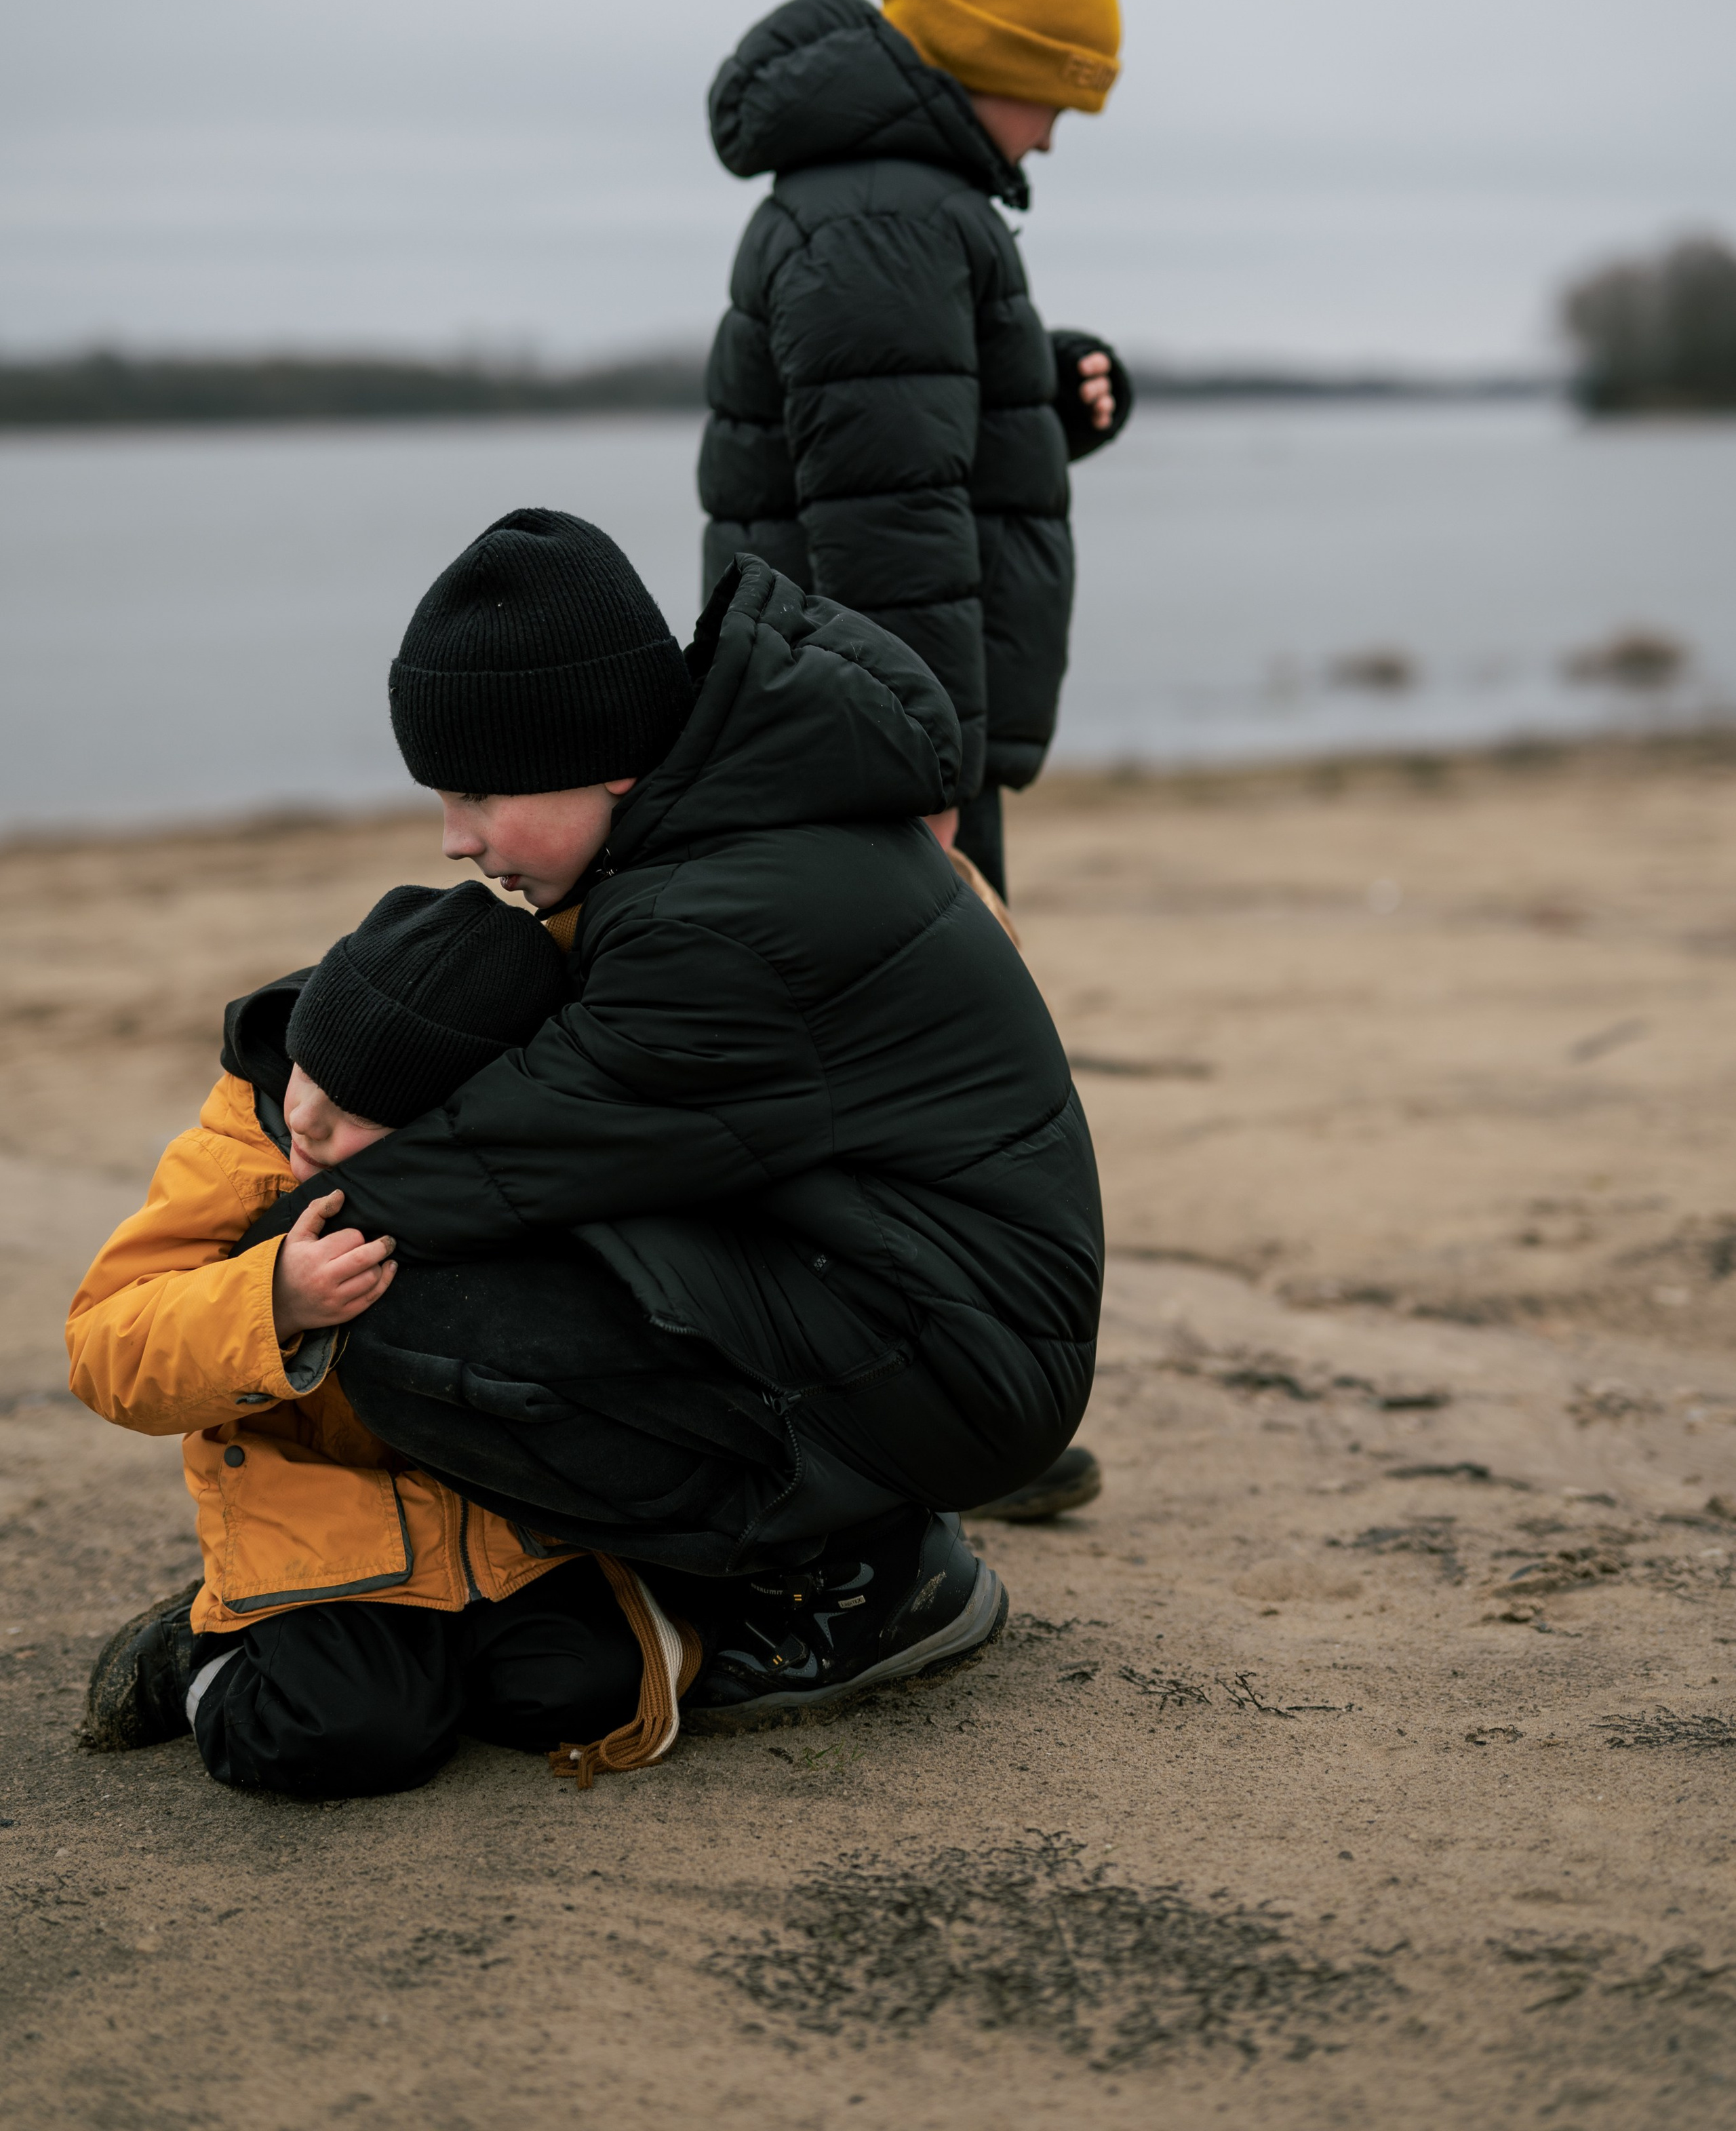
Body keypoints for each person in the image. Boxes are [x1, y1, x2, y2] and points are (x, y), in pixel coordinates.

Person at [246, 506, 1106, 1729]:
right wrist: (289, 1054)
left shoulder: (720, 918)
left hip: (959, 1354)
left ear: (603, 752)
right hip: (904, 1291)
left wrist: (278, 1241)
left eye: (482, 793)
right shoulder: (718, 832)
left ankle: (857, 1578)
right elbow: (520, 1068)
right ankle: (834, 1522)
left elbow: (521, 1152)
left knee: (408, 1323)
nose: (456, 840)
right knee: (439, 1263)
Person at [698, 0, 1129, 1521]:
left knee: (909, 1094)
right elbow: (884, 527)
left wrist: (1057, 381)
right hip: (870, 738)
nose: (1063, 123)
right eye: (1056, 85)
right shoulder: (884, 212)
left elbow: (920, 452)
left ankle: (940, 1413)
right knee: (930, 1102)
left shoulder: (905, 201)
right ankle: (932, 1420)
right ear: (986, 56)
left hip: (871, 723)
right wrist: (926, 780)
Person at [71, 880, 699, 1798]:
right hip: (321, 1527)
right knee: (342, 1736)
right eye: (309, 1077)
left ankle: (426, 1670)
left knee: (592, 1692)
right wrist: (269, 1302)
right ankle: (201, 1657)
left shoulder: (512, 1168)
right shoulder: (239, 1148)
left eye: (358, 1113)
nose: (309, 1124)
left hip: (496, 1522)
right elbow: (104, 1347)